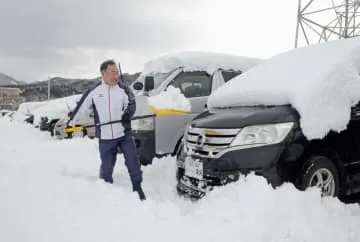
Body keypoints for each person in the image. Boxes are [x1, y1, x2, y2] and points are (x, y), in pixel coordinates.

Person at [66, 59, 146, 201]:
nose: (117, 75)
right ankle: (106, 189)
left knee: (133, 161)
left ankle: (137, 187)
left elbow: (131, 104)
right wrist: (71, 122)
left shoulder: (124, 89)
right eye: (113, 72)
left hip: (124, 134)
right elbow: (82, 108)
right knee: (107, 167)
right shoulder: (95, 92)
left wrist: (127, 114)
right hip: (106, 137)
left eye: (117, 72)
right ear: (104, 73)